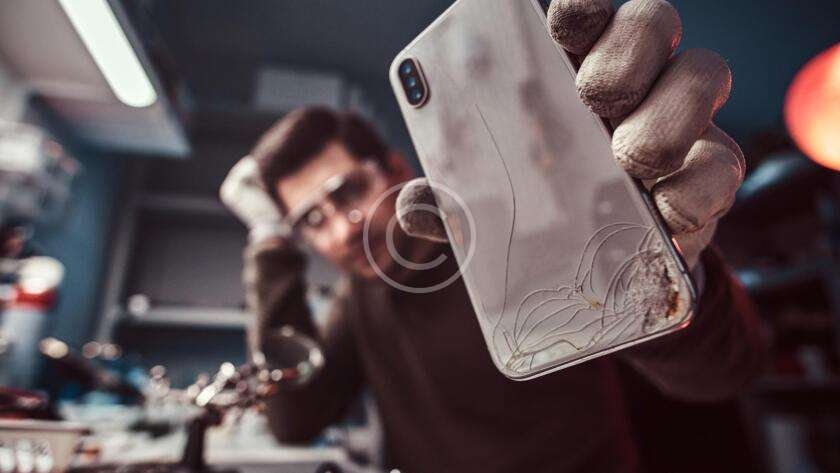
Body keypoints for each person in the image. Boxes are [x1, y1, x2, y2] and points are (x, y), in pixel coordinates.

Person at [220, 1, 765, 471]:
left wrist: (671, 271)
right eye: (311, 222)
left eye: (347, 193)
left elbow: (726, 370)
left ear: (394, 170)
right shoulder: (360, 298)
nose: (343, 230)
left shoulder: (516, 232)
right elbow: (293, 418)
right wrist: (269, 242)